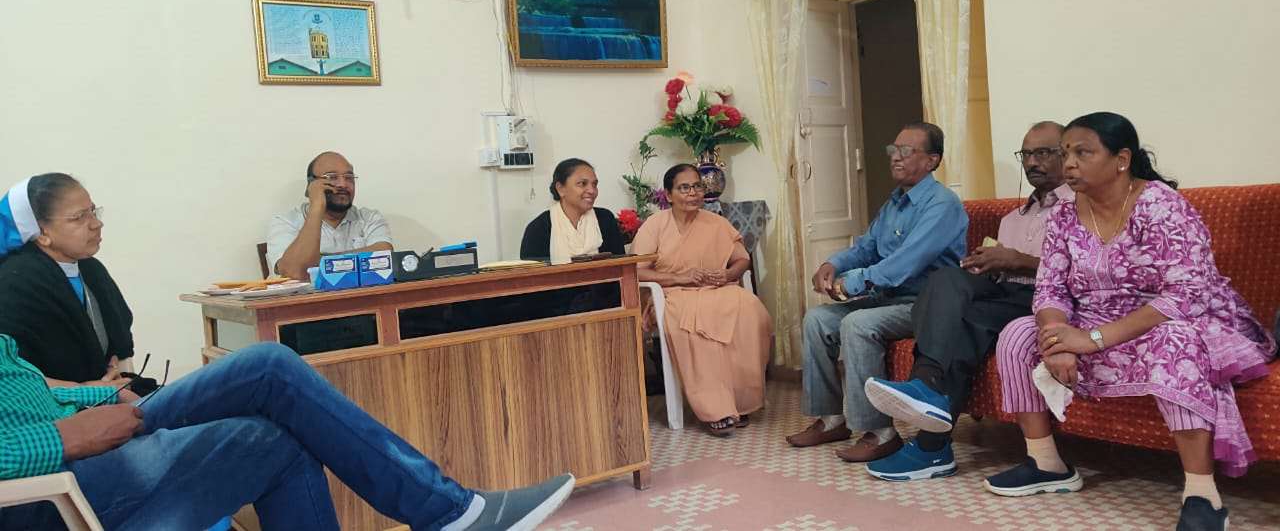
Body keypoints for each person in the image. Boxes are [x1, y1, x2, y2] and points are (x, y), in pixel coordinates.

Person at [984, 112, 1275, 531]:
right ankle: (1046, 464)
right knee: (1016, 334)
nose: (1069, 164)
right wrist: (1057, 339)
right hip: (1089, 320)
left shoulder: (1161, 206)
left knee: (1175, 341)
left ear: (1121, 160)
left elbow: (1185, 295)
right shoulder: (1064, 214)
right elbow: (1050, 288)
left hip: (1171, 317)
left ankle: (1202, 495)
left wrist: (1092, 339)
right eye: (1066, 153)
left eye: (1082, 153)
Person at [0, 336, 574, 531]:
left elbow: (28, 388)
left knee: (279, 438)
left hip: (79, 440)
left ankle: (451, 512)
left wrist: (98, 395)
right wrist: (67, 438)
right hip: (50, 481)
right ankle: (452, 512)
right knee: (268, 368)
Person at [860, 121, 1071, 481]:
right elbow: (1000, 274)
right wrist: (988, 265)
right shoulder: (1013, 219)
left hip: (1046, 299)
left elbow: (1084, 271)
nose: (1032, 162)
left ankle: (931, 445)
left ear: (1065, 156)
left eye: (1043, 153)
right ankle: (927, 387)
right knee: (946, 280)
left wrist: (1018, 260)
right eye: (1026, 154)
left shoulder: (1080, 208)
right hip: (1004, 293)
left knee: (963, 323)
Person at [785, 122, 968, 464]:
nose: (895, 157)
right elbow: (866, 248)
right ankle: (831, 420)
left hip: (925, 305)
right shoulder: (894, 203)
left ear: (932, 160)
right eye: (893, 150)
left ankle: (880, 433)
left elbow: (904, 264)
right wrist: (833, 264)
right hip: (889, 298)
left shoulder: (942, 204)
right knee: (817, 319)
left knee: (857, 324)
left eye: (906, 151)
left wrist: (851, 284)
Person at [632, 164, 772, 437]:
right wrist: (679, 278)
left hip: (716, 289)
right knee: (693, 325)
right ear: (669, 195)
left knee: (750, 309)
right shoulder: (655, 225)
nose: (693, 193)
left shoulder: (716, 223)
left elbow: (741, 260)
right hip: (675, 294)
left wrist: (728, 274)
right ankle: (715, 409)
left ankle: (740, 402)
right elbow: (638, 271)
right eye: (684, 188)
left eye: (697, 186)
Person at [0, 174, 134, 385]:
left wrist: (120, 378)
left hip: (112, 393)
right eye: (79, 217)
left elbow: (119, 351)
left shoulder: (91, 269)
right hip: (51, 403)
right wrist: (87, 389)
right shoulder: (15, 283)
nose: (97, 224)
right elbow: (11, 378)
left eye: (93, 211)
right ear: (42, 233)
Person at [268, 152, 392, 281]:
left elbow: (385, 256)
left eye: (349, 177)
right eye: (332, 177)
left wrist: (320, 261)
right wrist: (317, 207)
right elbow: (295, 272)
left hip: (365, 293)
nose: (343, 184)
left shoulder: (369, 218)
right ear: (311, 185)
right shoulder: (286, 222)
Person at [520, 158, 625, 263]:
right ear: (560, 189)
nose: (592, 191)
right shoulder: (539, 228)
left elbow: (621, 265)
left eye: (594, 184)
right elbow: (532, 271)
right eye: (582, 183)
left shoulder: (606, 219)